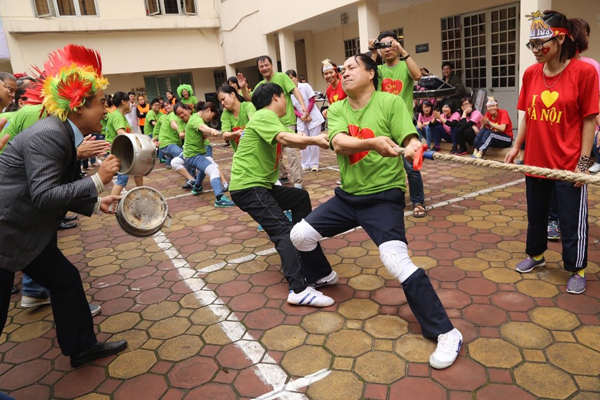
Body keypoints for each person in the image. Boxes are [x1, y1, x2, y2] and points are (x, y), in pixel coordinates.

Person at [290, 54, 462, 369]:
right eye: (342, 70)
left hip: (384, 197)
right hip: (348, 197)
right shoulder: (338, 108)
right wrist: (373, 144)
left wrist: (412, 145)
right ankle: (324, 275)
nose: (344, 72)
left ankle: (447, 332)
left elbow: (408, 135)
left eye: (352, 67)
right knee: (299, 235)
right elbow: (339, 143)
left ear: (372, 73)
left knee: (395, 261)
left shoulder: (390, 103)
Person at [0, 44, 127, 368]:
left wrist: (96, 201)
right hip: (6, 233)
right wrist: (98, 179)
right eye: (101, 104)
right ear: (78, 107)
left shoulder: (63, 133)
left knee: (65, 279)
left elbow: (55, 188)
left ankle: (81, 347)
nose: (107, 111)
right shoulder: (49, 135)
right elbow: (44, 195)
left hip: (23, 230)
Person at [505, 10, 598, 295]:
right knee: (537, 214)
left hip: (568, 162)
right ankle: (536, 255)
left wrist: (583, 163)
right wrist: (517, 145)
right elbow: (527, 115)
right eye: (531, 45)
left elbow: (588, 120)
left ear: (560, 39)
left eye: (540, 43)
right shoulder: (531, 73)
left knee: (571, 218)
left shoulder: (584, 72)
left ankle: (577, 267)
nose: (535, 50)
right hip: (536, 159)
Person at [229, 82, 335, 307]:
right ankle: (298, 289)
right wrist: (315, 139)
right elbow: (287, 139)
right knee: (283, 232)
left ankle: (316, 270)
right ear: (276, 97)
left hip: (259, 186)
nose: (288, 101)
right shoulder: (263, 116)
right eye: (286, 96)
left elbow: (294, 138)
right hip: (249, 187)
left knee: (299, 198)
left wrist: (316, 138)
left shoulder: (269, 119)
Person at [370, 30, 427, 218]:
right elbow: (368, 77)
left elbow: (418, 75)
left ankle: (418, 202)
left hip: (405, 124)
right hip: (384, 124)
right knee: (386, 165)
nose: (387, 49)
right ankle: (394, 200)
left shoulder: (404, 66)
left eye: (390, 44)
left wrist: (403, 51)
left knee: (411, 165)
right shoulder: (378, 70)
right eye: (382, 45)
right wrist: (373, 53)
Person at [245, 55, 307, 189]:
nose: (264, 68)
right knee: (274, 154)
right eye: (261, 66)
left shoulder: (282, 77)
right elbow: (250, 99)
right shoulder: (260, 85)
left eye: (266, 65)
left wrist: (302, 105)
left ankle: (297, 182)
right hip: (270, 124)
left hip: (286, 122)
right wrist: (243, 88)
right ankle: (282, 175)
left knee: (292, 154)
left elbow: (294, 89)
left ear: (272, 65)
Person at [175, 102, 235, 207]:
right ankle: (219, 198)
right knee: (213, 170)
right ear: (208, 110)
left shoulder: (196, 119)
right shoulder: (196, 119)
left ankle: (197, 186)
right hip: (193, 155)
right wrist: (211, 130)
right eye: (212, 116)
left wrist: (209, 134)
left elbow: (201, 134)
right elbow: (202, 127)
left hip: (196, 154)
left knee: (207, 164)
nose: (211, 120)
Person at [286, 69, 325, 172]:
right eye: (288, 79)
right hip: (301, 119)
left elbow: (312, 100)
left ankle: (314, 164)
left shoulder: (305, 86)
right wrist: (302, 116)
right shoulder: (288, 93)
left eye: (291, 78)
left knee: (314, 141)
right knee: (302, 141)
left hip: (312, 116)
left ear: (296, 77)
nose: (290, 80)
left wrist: (307, 112)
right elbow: (293, 108)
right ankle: (305, 163)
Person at [157, 101, 196, 188]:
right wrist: (181, 130)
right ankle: (192, 180)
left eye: (168, 105)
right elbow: (173, 124)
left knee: (185, 156)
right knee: (185, 156)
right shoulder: (173, 115)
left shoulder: (179, 116)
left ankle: (192, 179)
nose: (181, 114)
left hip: (170, 143)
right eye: (165, 106)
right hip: (167, 143)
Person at [218, 84, 256, 152]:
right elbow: (225, 135)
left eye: (223, 99)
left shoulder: (248, 106)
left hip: (255, 150)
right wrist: (236, 134)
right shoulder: (225, 114)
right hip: (240, 154)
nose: (222, 103)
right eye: (220, 101)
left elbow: (253, 122)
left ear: (232, 94)